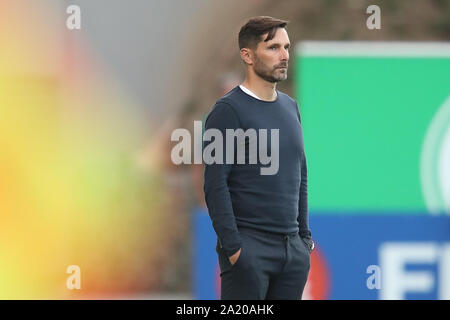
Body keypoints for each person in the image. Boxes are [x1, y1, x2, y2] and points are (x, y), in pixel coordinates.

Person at [203, 16, 314, 300]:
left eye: (286, 47)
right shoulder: (228, 111)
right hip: (250, 252)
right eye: (273, 47)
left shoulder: (291, 107)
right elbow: (215, 185)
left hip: (292, 255)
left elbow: (299, 174)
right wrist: (235, 249)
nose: (284, 55)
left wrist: (304, 239)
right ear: (248, 55)